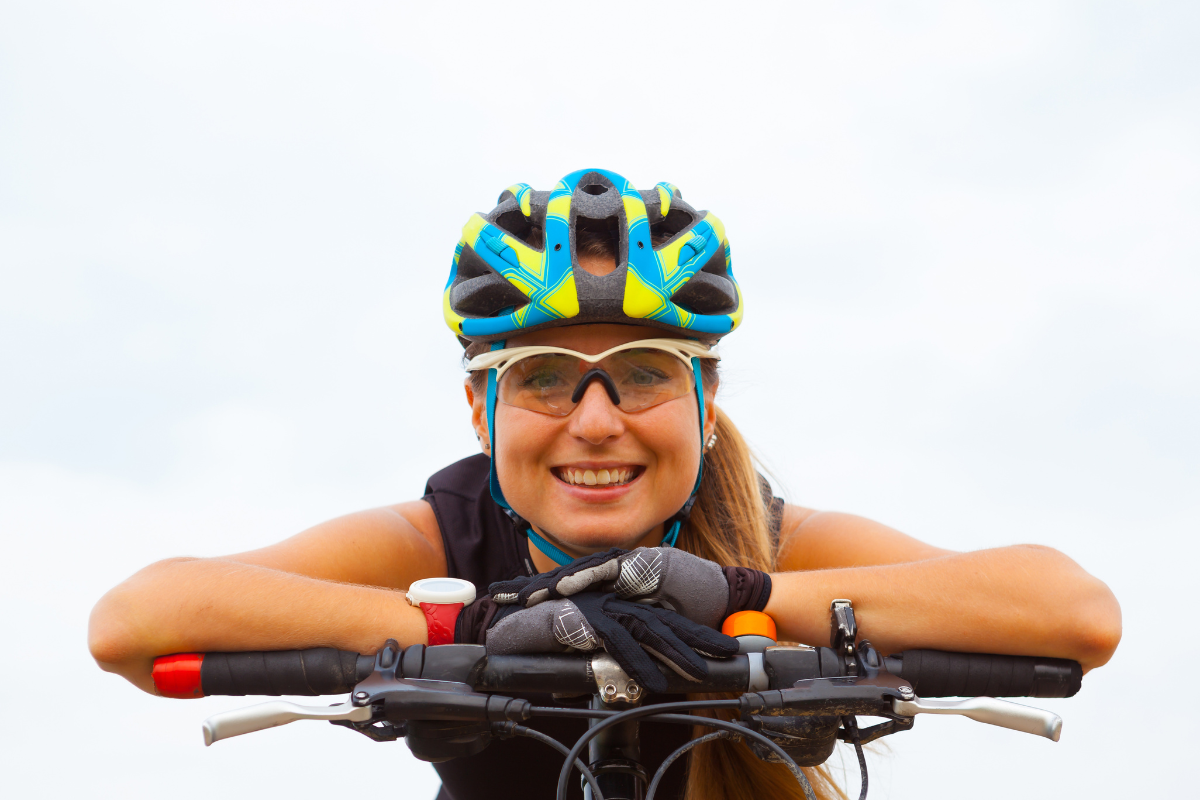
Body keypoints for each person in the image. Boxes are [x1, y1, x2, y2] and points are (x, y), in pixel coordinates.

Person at [89, 169, 1122, 800]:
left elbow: (1074, 610)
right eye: (541, 377)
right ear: (480, 411)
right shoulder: (443, 533)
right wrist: (481, 621)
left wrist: (730, 597)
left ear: (704, 402)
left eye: (642, 373)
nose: (594, 418)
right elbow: (135, 619)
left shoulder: (766, 533)